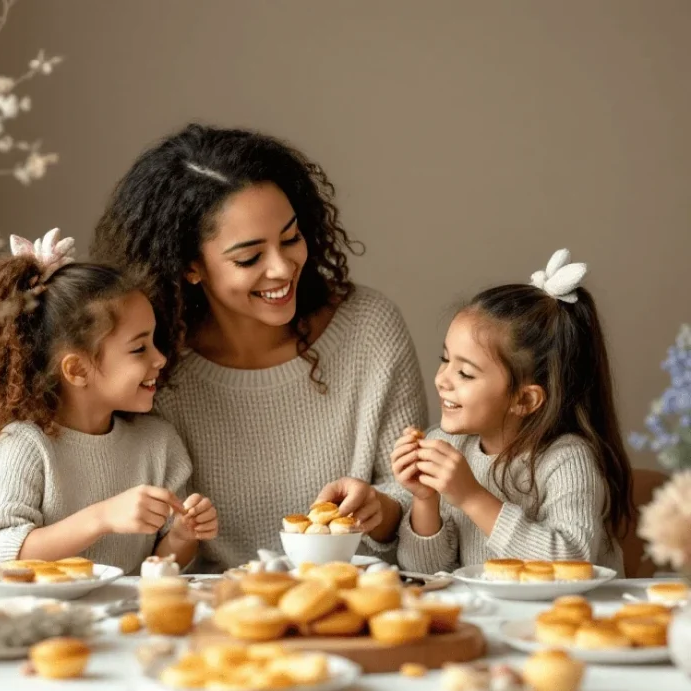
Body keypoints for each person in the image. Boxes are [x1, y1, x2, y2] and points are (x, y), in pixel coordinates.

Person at [91, 124, 428, 572]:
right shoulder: (154, 366)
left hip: (356, 605)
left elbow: (419, 500)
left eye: (291, 238)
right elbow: (138, 544)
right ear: (190, 267)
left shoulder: (370, 327)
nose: (282, 267)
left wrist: (380, 509)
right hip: (213, 619)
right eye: (249, 258)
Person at [0, 229, 218, 574]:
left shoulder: (158, 444)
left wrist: (182, 536)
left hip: (101, 618)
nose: (161, 359)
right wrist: (102, 517)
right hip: (4, 616)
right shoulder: (25, 446)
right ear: (77, 369)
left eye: (154, 341)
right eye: (139, 348)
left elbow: (159, 568)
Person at [392, 249, 631, 575]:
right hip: (490, 620)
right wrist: (425, 499)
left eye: (465, 373)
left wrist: (472, 498)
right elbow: (427, 571)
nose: (442, 379)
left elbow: (573, 562)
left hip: (565, 620)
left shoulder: (566, 460)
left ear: (525, 400)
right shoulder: (449, 446)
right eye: (445, 359)